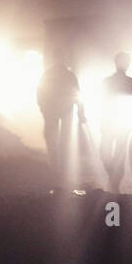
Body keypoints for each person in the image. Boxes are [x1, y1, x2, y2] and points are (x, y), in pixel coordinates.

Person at [99, 52, 132, 192]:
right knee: (114, 154)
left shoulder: (107, 82)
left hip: (113, 122)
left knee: (107, 153)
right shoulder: (131, 83)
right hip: (117, 122)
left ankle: (114, 182)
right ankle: (114, 178)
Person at [37, 47, 86, 181]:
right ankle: (62, 169)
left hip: (52, 111)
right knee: (63, 140)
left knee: (52, 139)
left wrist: (43, 108)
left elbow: (39, 92)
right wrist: (81, 114)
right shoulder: (69, 75)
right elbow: (78, 94)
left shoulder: (48, 74)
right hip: (64, 111)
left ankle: (56, 168)